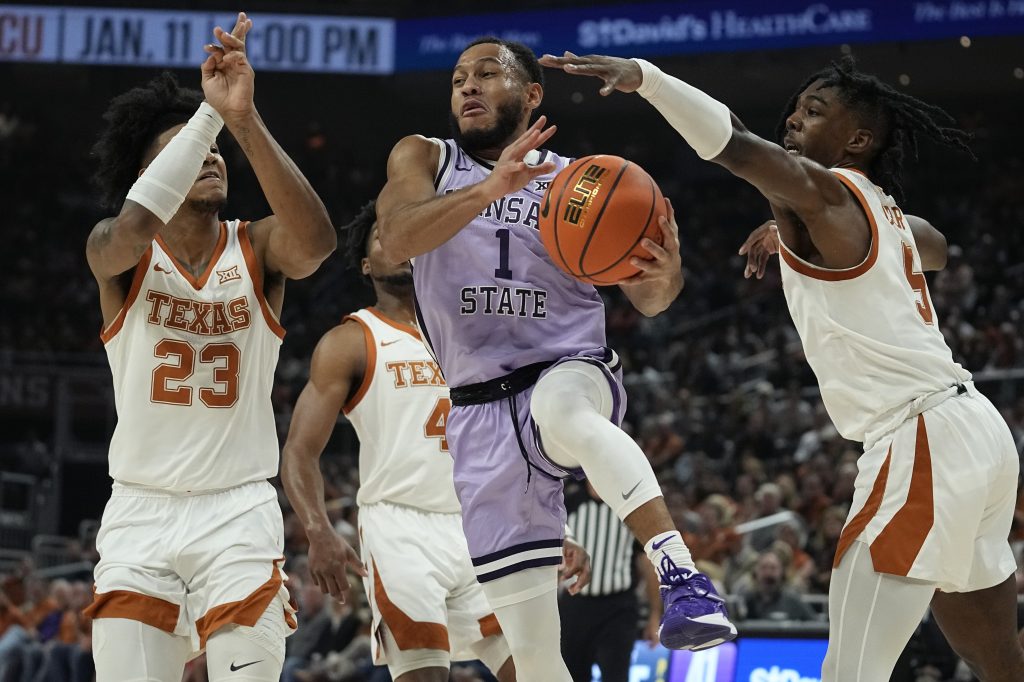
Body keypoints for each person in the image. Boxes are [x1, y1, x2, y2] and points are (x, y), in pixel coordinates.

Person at [543, 51, 1024, 681]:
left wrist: (648, 80)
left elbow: (735, 142)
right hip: (980, 436)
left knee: (849, 672)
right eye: (796, 107)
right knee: (998, 660)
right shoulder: (874, 211)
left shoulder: (829, 193)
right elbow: (933, 246)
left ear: (858, 139)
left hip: (922, 439)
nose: (795, 118)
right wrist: (804, 235)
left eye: (815, 111)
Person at [375, 37, 736, 679]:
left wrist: (666, 271)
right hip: (478, 413)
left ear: (532, 93)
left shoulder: (582, 180)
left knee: (560, 409)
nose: (468, 87)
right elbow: (398, 236)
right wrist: (492, 189)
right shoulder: (424, 157)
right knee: (537, 663)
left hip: (566, 368)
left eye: (488, 74)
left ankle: (680, 570)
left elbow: (651, 299)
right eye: (459, 78)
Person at [83, 13, 336, 681]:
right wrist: (202, 121)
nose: (211, 156)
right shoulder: (117, 251)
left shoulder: (254, 247)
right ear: (150, 174)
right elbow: (135, 225)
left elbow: (317, 244)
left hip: (237, 512)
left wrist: (241, 120)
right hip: (139, 509)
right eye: (193, 152)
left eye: (216, 150)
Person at [282, 200, 590, 681]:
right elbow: (300, 452)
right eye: (380, 237)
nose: (396, 245)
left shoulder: (477, 332)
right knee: (425, 673)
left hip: (481, 523)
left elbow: (514, 440)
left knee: (537, 668)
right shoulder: (352, 340)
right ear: (366, 264)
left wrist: (558, 530)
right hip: (400, 528)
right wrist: (319, 529)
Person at [559, 481, 662, 682]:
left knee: (616, 676)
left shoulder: (629, 509)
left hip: (618, 608)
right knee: (571, 675)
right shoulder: (570, 502)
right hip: (575, 606)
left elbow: (648, 564)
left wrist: (655, 616)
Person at [740, 550, 815, 622]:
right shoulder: (746, 600)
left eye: (773, 568)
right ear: (755, 573)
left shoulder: (793, 601)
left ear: (782, 574)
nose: (768, 573)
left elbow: (816, 627)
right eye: (764, 568)